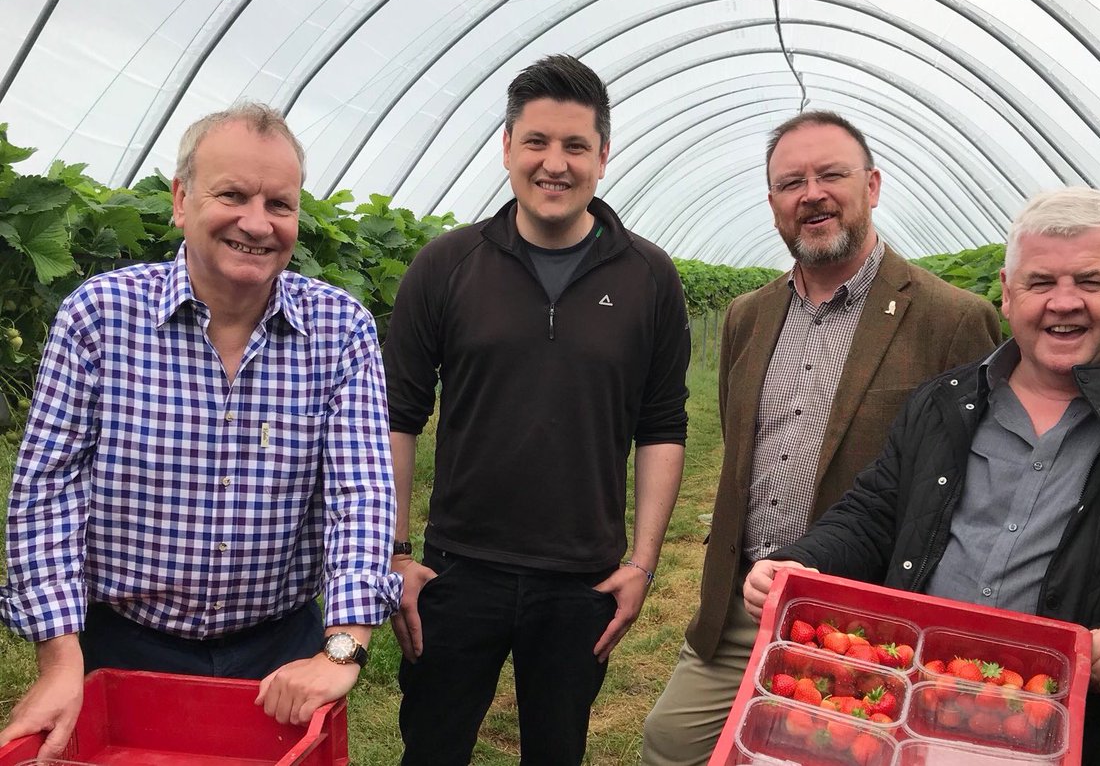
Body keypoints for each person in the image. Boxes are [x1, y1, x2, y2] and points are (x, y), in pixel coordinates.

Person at [0, 103, 401, 759]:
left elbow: (360, 493)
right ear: (182, 201)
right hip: (124, 639)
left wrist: (342, 644)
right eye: (233, 195)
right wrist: (59, 655)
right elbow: (49, 487)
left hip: (278, 650)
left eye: (280, 203)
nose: (257, 222)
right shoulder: (100, 317)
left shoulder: (341, 329)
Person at [745, 187, 1100, 763]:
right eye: (1040, 283)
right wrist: (803, 561)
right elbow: (874, 514)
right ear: (1008, 295)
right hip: (917, 713)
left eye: (1090, 281)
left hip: (1081, 738)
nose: (1063, 303)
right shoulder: (946, 402)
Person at [641, 110, 1001, 763]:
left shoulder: (952, 319)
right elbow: (738, 445)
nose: (812, 194)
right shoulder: (749, 316)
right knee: (671, 742)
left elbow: (969, 490)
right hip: (747, 602)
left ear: (872, 185)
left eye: (831, 174)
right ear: (774, 202)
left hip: (863, 620)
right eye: (790, 182)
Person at [382, 54, 690, 765]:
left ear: (604, 157)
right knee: (432, 746)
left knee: (557, 751)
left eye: (576, 146)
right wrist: (395, 551)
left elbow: (662, 427)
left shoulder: (649, 277)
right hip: (458, 569)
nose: (555, 164)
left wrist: (641, 565)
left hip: (583, 576)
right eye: (537, 143)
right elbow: (398, 416)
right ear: (507, 149)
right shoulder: (446, 266)